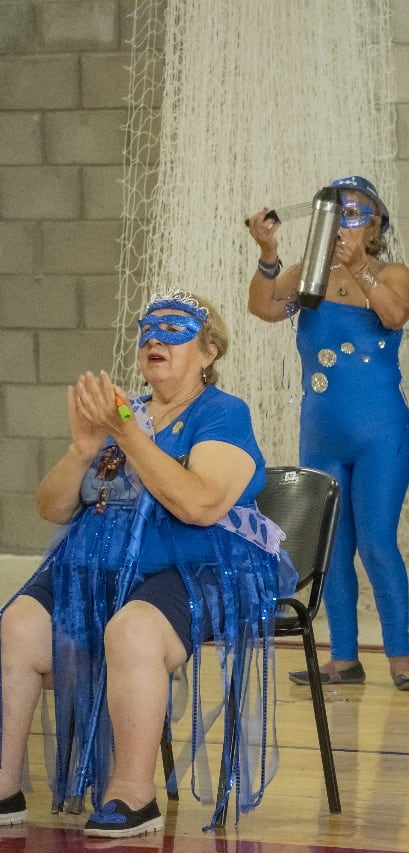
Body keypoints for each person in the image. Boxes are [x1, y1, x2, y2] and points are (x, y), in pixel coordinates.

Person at [0, 292, 292, 837]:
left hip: (203, 566)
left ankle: (133, 795)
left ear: (209, 353)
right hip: (105, 568)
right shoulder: (123, 412)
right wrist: (83, 449)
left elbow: (200, 503)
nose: (155, 338)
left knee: (133, 631)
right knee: (16, 626)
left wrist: (129, 433)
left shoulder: (222, 413)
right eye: (148, 329)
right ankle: (3, 786)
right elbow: (53, 507)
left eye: (174, 329)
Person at [246, 176, 409, 690]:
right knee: (332, 546)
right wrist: (268, 252)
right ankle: (343, 656)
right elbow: (263, 307)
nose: (345, 222)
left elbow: (396, 314)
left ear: (375, 226)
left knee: (376, 543)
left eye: (356, 214)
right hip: (322, 437)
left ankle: (400, 657)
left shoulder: (392, 272)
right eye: (337, 212)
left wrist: (358, 270)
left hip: (381, 436)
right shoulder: (308, 275)